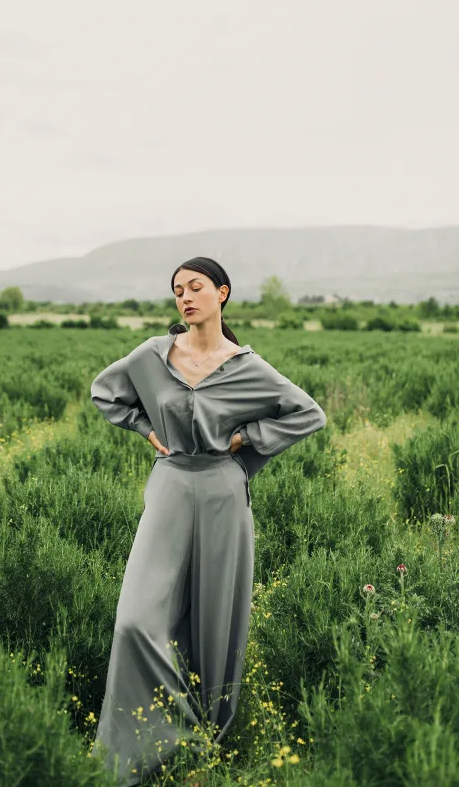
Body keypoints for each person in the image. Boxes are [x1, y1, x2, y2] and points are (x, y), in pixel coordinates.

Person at [89, 256, 327, 786]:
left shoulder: (246, 366)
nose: (185, 297)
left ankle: (204, 742)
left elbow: (308, 413)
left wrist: (246, 439)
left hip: (223, 493)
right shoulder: (153, 355)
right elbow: (105, 392)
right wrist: (143, 425)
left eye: (195, 287)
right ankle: (149, 743)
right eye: (177, 290)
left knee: (214, 624)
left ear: (222, 293)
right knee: (135, 621)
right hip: (171, 487)